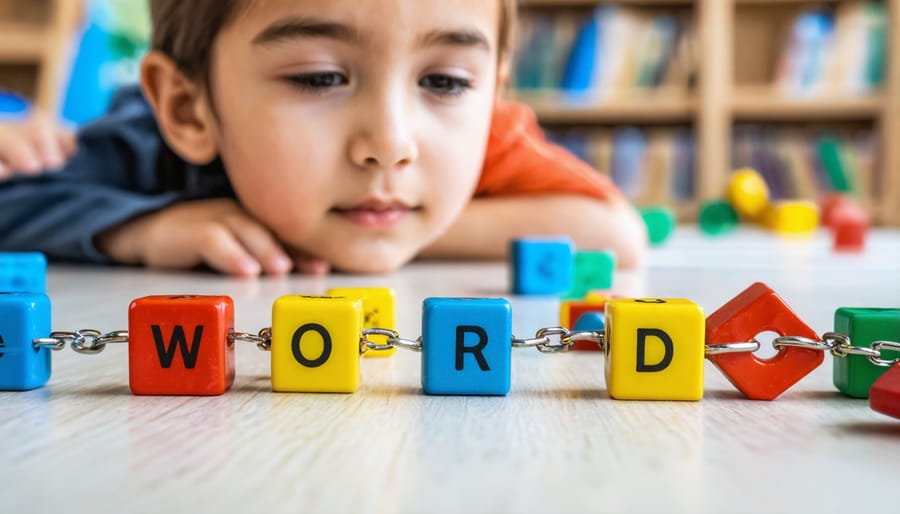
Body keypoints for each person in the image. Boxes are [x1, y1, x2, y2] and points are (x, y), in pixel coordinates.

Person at [0, 0, 647, 276]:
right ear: (189, 108)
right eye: (321, 77)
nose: (391, 142)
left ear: (494, 87)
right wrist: (141, 231)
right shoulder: (145, 142)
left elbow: (616, 234)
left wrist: (361, 228)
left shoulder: (489, 133)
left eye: (446, 81)